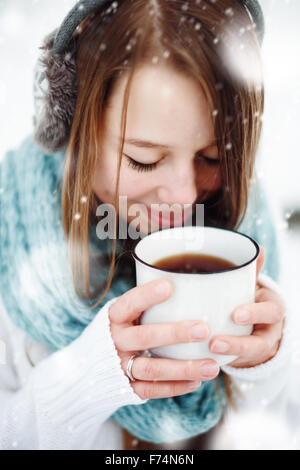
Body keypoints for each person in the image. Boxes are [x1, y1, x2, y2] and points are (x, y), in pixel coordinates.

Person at [0, 0, 291, 450]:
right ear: (76, 123)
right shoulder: (9, 235)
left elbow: (281, 422)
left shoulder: (254, 219)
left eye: (211, 158)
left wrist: (270, 360)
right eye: (144, 159)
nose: (184, 196)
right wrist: (85, 379)